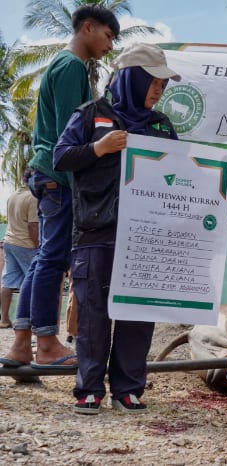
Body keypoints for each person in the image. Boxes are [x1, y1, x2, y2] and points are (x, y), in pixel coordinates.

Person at [54, 42, 227, 415]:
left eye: (163, 84)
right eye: (154, 81)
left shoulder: (160, 126)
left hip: (148, 238)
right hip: (97, 233)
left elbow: (185, 174)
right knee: (93, 315)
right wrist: (99, 148)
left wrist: (222, 165)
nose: (159, 90)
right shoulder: (90, 117)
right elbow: (60, 157)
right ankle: (89, 389)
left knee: (138, 315)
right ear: (132, 78)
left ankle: (128, 389)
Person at [0, 5, 119, 370]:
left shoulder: (61, 65)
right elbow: (74, 137)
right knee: (52, 259)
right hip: (60, 177)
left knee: (44, 259)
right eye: (108, 36)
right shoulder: (70, 68)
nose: (109, 46)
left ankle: (22, 344)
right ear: (88, 27)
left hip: (47, 174)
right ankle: (48, 343)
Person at [1, 169, 40, 329]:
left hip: (9, 242)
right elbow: (33, 226)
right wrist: (38, 246)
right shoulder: (32, 198)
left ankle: (4, 319)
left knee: (8, 281)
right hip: (26, 244)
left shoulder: (13, 195)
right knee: (32, 281)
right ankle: (27, 320)